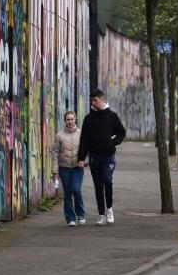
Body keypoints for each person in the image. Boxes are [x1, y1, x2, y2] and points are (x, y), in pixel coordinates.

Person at [77, 89, 127, 226]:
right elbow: (84, 140)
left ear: (102, 99)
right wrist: (81, 157)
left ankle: (109, 209)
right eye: (91, 100)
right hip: (94, 157)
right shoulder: (88, 119)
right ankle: (101, 214)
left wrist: (113, 142)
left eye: (95, 100)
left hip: (108, 156)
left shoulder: (112, 116)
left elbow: (122, 132)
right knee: (98, 186)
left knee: (107, 181)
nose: (93, 103)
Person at [52, 110, 86, 226]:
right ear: (64, 121)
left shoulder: (82, 133)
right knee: (67, 193)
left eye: (72, 119)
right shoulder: (59, 135)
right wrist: (55, 171)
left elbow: (87, 150)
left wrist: (85, 162)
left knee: (76, 189)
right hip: (64, 168)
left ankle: (80, 213)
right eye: (68, 119)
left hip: (77, 167)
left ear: (75, 119)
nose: (70, 121)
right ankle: (70, 218)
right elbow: (55, 153)